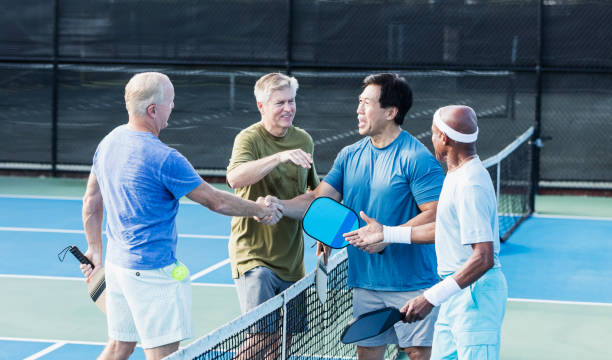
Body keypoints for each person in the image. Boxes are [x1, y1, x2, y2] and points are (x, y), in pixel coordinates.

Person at [80, 72, 281, 360]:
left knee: (119, 346)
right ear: (152, 110)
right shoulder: (165, 158)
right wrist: (260, 210)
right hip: (153, 275)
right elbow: (216, 201)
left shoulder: (108, 142)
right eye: (170, 102)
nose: (172, 107)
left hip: (117, 267)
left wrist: (94, 248)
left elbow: (91, 201)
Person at [277, 73, 445, 360]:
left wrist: (387, 236)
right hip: (365, 280)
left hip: (413, 283)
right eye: (359, 102)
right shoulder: (349, 155)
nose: (358, 109)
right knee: (367, 352)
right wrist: (277, 206)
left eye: (366, 103)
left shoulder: (416, 158)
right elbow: (319, 200)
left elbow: (437, 214)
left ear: (391, 112)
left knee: (417, 353)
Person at [345, 105, 508, 359]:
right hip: (454, 290)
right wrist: (386, 234)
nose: (430, 139)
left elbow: (483, 257)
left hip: (475, 295)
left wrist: (430, 297)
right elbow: (444, 229)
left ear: (444, 138)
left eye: (433, 133)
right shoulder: (456, 176)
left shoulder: (471, 183)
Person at [225, 72, 319, 358]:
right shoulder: (249, 139)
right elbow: (235, 178)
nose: (288, 108)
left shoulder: (304, 139)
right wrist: (279, 156)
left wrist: (324, 237)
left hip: (292, 261)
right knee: (259, 340)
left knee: (284, 343)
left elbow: (314, 196)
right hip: (254, 259)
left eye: (292, 101)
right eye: (280, 102)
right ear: (261, 106)